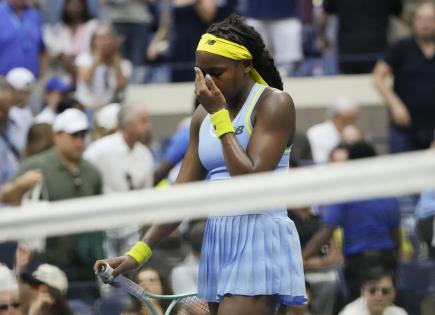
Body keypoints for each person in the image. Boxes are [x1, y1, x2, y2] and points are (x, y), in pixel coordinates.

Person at [96, 14, 306, 315]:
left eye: (216, 72)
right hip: (217, 238)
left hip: (259, 237)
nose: (206, 83)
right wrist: (137, 254)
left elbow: (252, 184)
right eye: (201, 73)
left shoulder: (274, 103)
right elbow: (182, 195)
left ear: (245, 65)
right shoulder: (201, 117)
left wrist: (220, 116)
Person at [5, 109, 104, 302]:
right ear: (57, 136)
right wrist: (20, 185)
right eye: (73, 135)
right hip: (45, 261)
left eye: (83, 135)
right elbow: (6, 197)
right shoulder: (36, 165)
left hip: (84, 261)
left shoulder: (92, 172)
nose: (79, 141)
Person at [303, 141, 401, 303]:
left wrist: (303, 257)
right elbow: (396, 234)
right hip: (387, 260)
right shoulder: (388, 191)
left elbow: (326, 231)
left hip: (359, 263)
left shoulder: (346, 189)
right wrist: (394, 259)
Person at [372, 1, 435, 153]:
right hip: (404, 128)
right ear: (414, 21)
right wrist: (395, 105)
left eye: (429, 19)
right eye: (420, 19)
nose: (424, 24)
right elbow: (377, 77)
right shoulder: (401, 47)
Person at [43, 0, 98, 82]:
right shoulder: (61, 27)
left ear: (83, 6)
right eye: (71, 5)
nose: (74, 9)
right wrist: (63, 57)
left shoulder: (92, 26)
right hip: (64, 74)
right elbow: (56, 49)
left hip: (86, 74)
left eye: (77, 5)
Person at [0, 0, 46, 78]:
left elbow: (42, 50)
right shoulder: (2, 13)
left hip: (31, 81)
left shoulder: (35, 16)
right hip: (3, 81)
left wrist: (43, 78)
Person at [306, 96, 359, 164]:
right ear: (337, 116)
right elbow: (319, 161)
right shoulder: (316, 133)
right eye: (348, 119)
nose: (351, 122)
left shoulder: (354, 133)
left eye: (354, 119)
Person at [338, 268, 408, 315]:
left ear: (393, 293)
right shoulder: (349, 313)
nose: (379, 295)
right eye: (372, 290)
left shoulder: (399, 313)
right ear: (363, 292)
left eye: (385, 291)